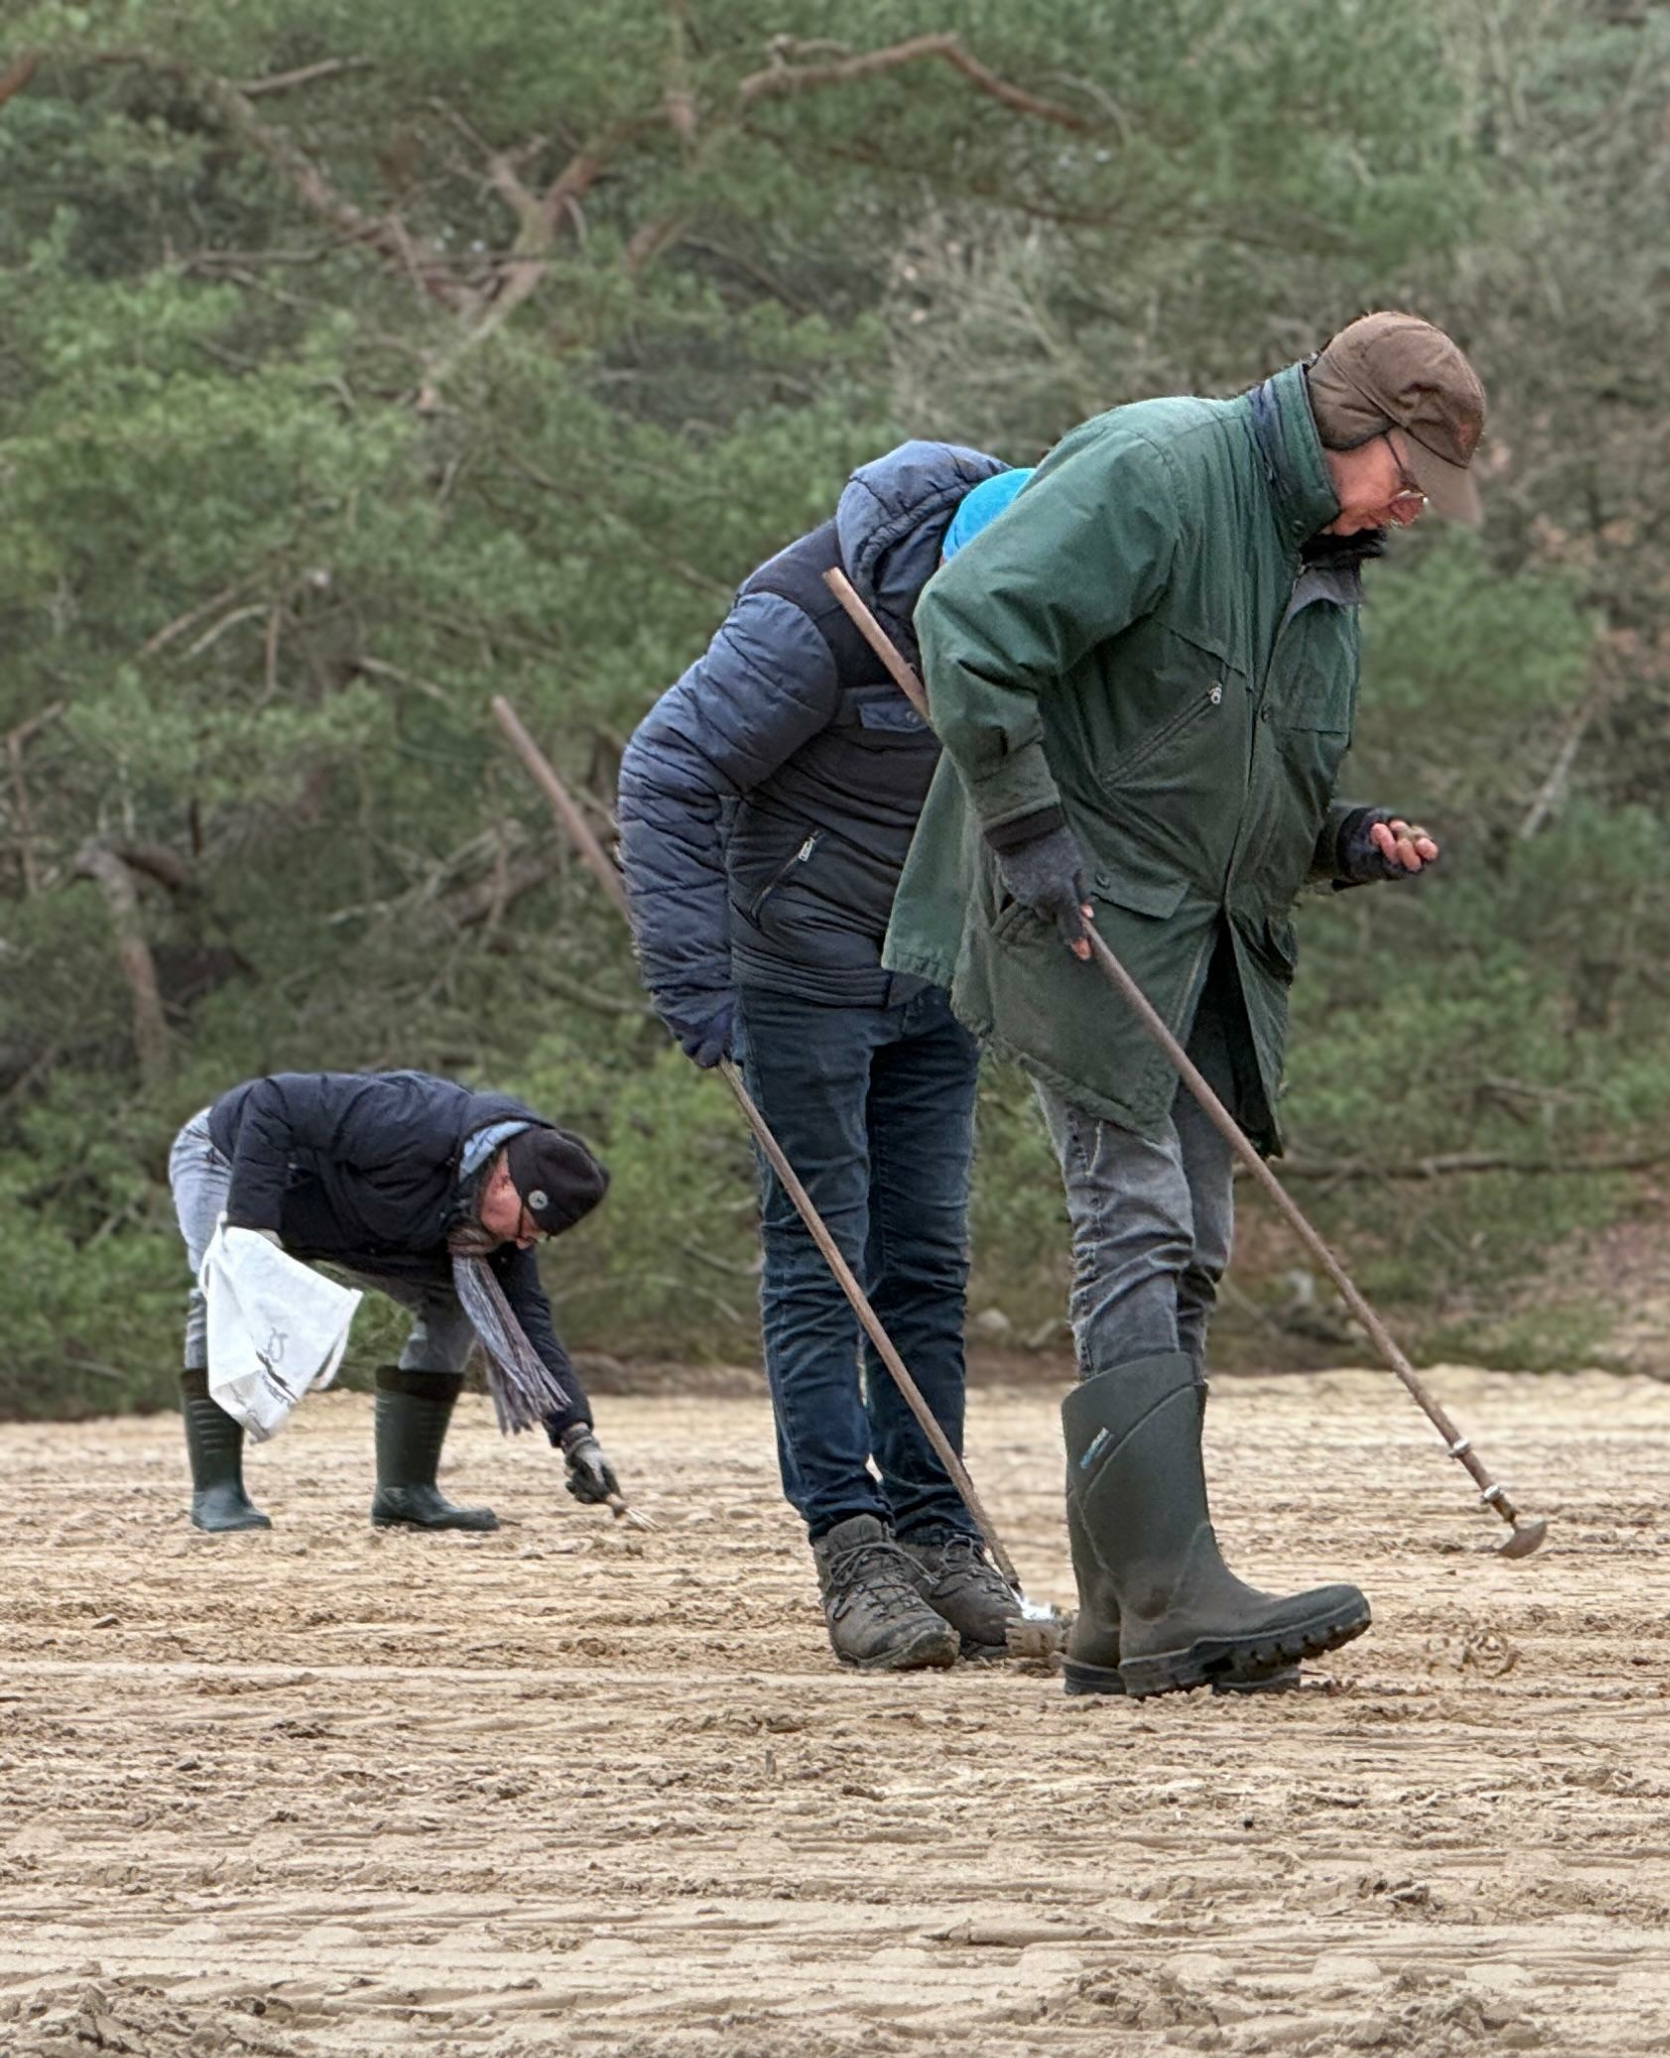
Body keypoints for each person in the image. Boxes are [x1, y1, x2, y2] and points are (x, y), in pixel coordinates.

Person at [883, 312, 1472, 1698]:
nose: (1419, 507)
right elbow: (965, 624)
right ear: (1352, 428)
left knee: (1188, 1237)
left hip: (1205, 944)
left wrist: (1338, 837)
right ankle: (1165, 1591)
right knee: (1135, 1221)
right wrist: (1027, 827)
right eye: (1414, 471)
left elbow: (1229, 758)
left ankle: (1122, 1611)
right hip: (1076, 917)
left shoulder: (1319, 558)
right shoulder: (1155, 466)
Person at [620, 439, 1021, 1674]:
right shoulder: (806, 617)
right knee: (823, 1261)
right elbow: (665, 769)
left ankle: (940, 1532)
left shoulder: (1027, 605)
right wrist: (697, 980)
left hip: (936, 966)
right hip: (795, 973)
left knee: (926, 1263)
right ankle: (852, 1547)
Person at [171, 1071, 620, 1534]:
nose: (528, 1243)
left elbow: (528, 1323)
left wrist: (577, 1436)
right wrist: (254, 1229)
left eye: (541, 1237)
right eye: (532, 1226)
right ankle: (217, 1492)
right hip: (234, 1157)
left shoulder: (494, 1232)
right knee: (225, 1287)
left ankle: (406, 1493)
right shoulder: (413, 1122)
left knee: (460, 1298)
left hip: (346, 1220)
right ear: (505, 1181)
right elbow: (271, 1102)